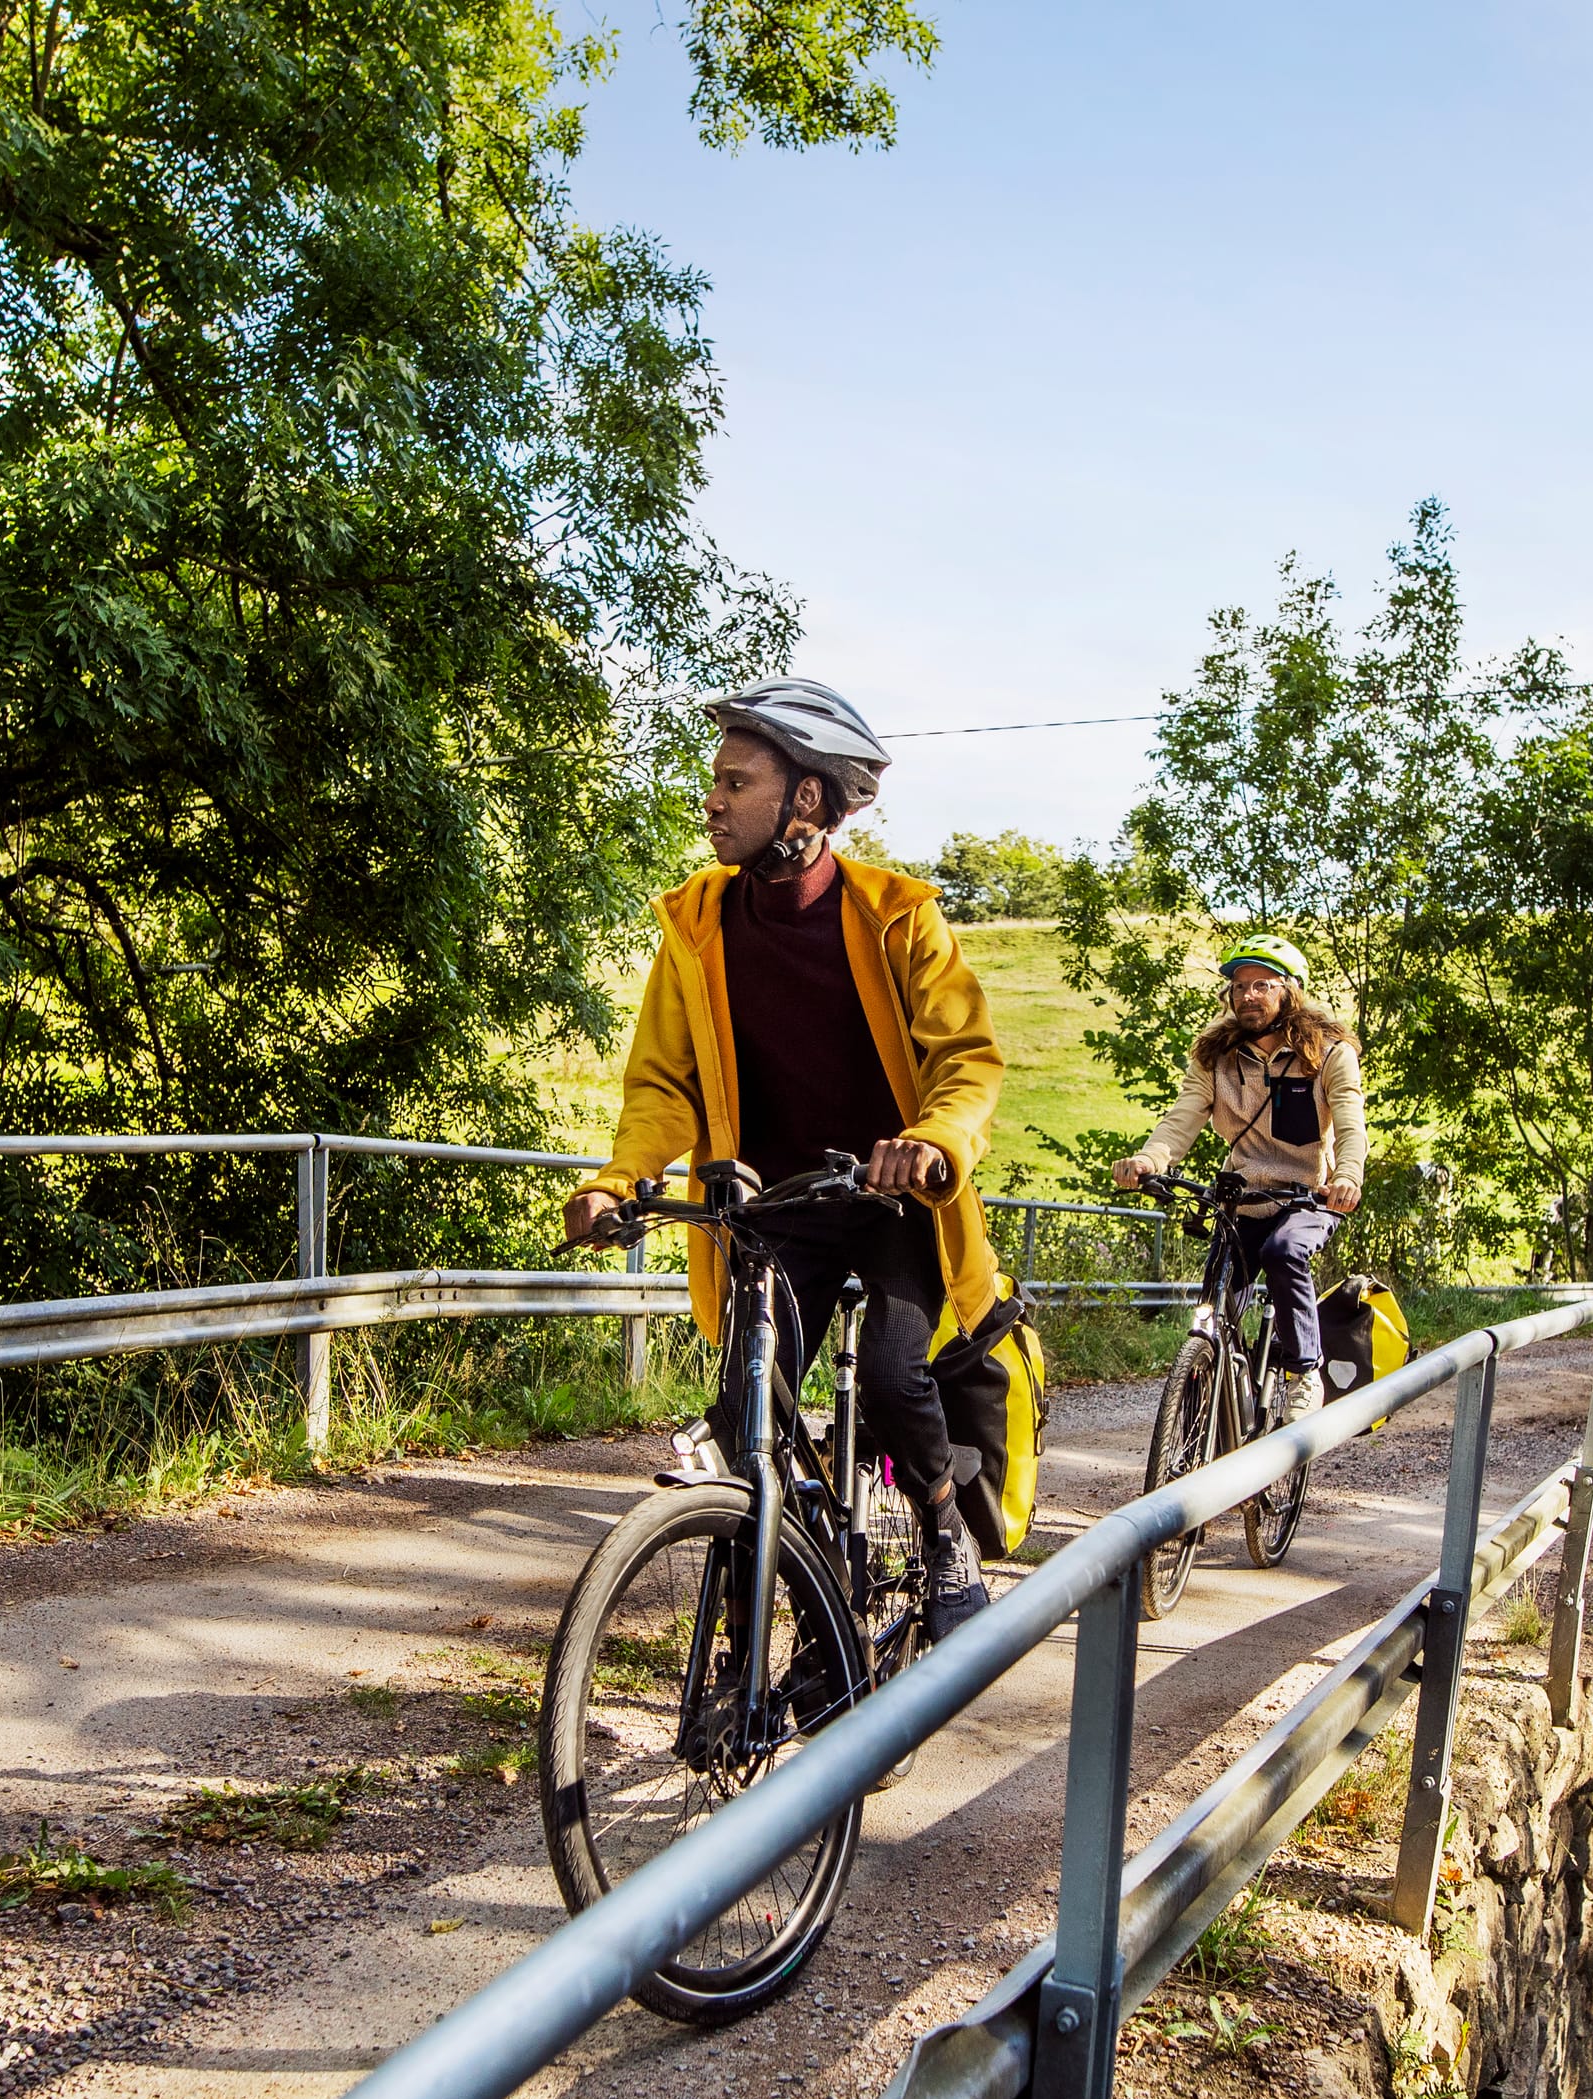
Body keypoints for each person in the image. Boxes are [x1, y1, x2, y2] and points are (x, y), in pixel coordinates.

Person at [565, 680, 1009, 1637]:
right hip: (772, 1206)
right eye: (715, 781)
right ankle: (768, 1593)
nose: (713, 801)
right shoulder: (697, 927)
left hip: (888, 1200)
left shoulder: (898, 915)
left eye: (735, 782)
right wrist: (619, 1178)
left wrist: (932, 1145)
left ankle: (941, 1529)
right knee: (746, 1405)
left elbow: (965, 1061)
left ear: (805, 801)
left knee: (894, 1380)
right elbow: (663, 1085)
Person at [1109, 937, 1368, 1428]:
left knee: (1283, 1252)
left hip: (1307, 1196)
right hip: (1243, 1197)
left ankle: (1305, 1373)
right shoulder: (1216, 1056)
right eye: (1239, 986)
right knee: (1217, 1296)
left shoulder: (1328, 1053)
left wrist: (1348, 1177)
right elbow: (1182, 1119)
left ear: (1290, 991)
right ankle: (1203, 1394)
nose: (1247, 995)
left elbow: (1352, 1126)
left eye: (1261, 985)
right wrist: (1149, 1160)